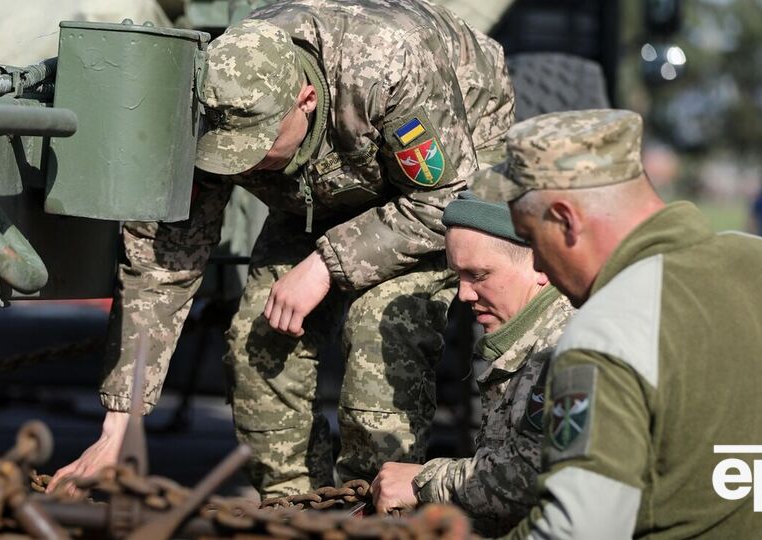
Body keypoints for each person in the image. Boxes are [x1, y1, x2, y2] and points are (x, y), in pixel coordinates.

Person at [47, 0, 514, 498]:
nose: (243, 163)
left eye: (258, 145)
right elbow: (161, 265)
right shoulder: (210, 105)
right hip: (324, 181)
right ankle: (293, 509)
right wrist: (118, 427)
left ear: (305, 99)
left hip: (447, 159)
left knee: (382, 331)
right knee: (257, 342)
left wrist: (325, 264)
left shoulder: (386, 66)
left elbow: (442, 197)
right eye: (229, 149)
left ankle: (375, 512)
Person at [484, 109, 762, 538]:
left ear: (566, 219)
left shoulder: (609, 327)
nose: (539, 266)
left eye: (530, 239)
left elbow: (579, 530)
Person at [369, 192, 574, 535]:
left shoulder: (560, 346)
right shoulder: (527, 335)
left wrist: (422, 483)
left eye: (478, 275)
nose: (464, 294)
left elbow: (530, 477)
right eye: (458, 276)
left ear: (541, 265)